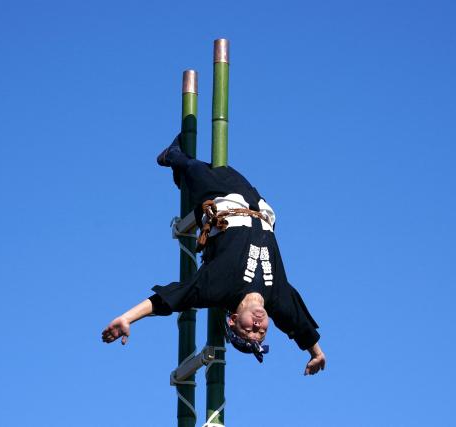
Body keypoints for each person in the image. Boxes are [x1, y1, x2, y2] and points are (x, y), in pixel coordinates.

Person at [102, 135, 326, 375]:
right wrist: (317, 353)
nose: (257, 327)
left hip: (221, 198)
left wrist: (127, 317)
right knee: (213, 169)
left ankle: (172, 157)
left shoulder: (219, 288)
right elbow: (300, 326)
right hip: (256, 204)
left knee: (190, 166)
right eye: (261, 332)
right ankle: (181, 174)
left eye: (249, 330)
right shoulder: (277, 299)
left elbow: (173, 298)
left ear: (233, 320)